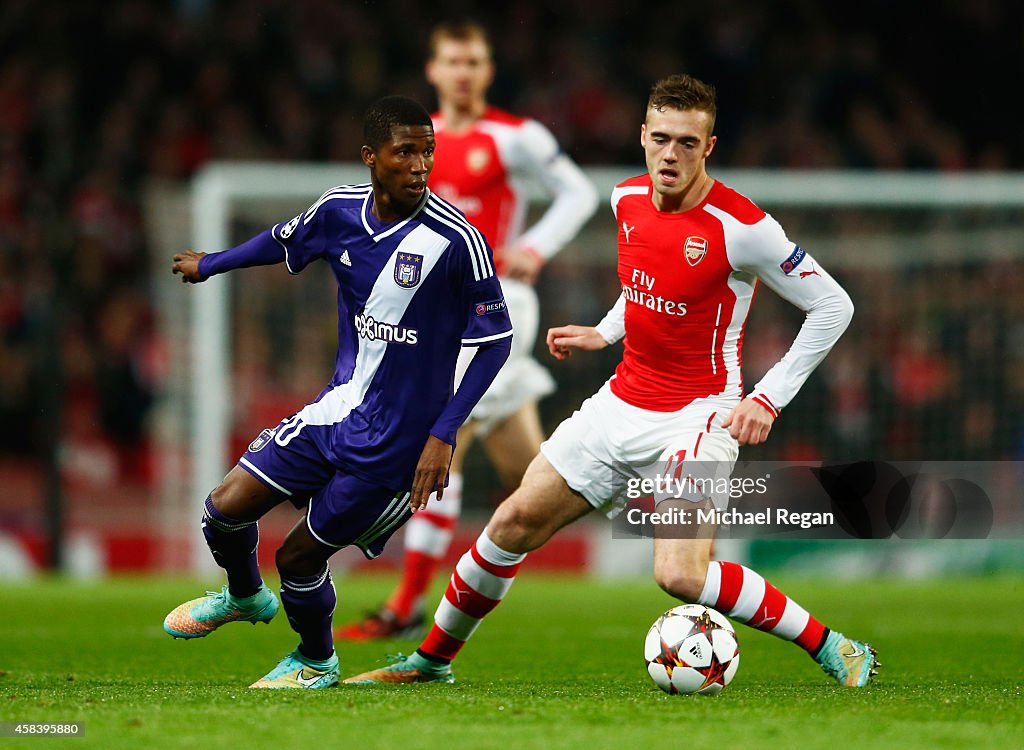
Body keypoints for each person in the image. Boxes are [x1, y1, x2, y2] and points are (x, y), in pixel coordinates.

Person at [344, 74, 880, 688]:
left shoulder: (744, 227)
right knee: (511, 524)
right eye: (660, 139)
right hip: (620, 401)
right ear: (642, 138)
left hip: (699, 415)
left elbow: (834, 306)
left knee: (679, 575)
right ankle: (428, 663)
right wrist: (605, 331)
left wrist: (767, 397)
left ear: (709, 147)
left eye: (686, 142)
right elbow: (645, 285)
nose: (670, 155)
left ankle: (835, 645)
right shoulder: (625, 199)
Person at [161, 95, 513, 689]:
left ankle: (315, 660)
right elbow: (280, 239)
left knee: (297, 558)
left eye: (428, 152)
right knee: (222, 509)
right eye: (405, 152)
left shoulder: (458, 241)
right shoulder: (338, 212)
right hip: (339, 409)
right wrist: (213, 263)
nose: (420, 165)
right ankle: (244, 597)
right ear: (371, 158)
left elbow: (495, 343)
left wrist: (441, 435)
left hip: (398, 445)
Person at [335, 21, 598, 641]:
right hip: (428, 310)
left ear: (488, 69)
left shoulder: (514, 137)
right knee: (529, 476)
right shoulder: (409, 139)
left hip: (495, 303)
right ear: (432, 70)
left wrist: (534, 245)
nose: (462, 71)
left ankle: (404, 605)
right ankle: (642, 489)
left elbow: (578, 192)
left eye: (473, 61)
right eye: (452, 61)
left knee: (440, 437)